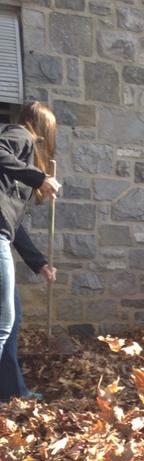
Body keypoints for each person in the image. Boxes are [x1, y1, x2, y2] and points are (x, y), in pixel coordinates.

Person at [0, 102, 61, 402]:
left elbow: (14, 227)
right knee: (3, 321)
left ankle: (12, 391)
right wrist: (39, 178)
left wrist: (39, 263)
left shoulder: (10, 180)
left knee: (12, 316)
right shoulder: (21, 134)